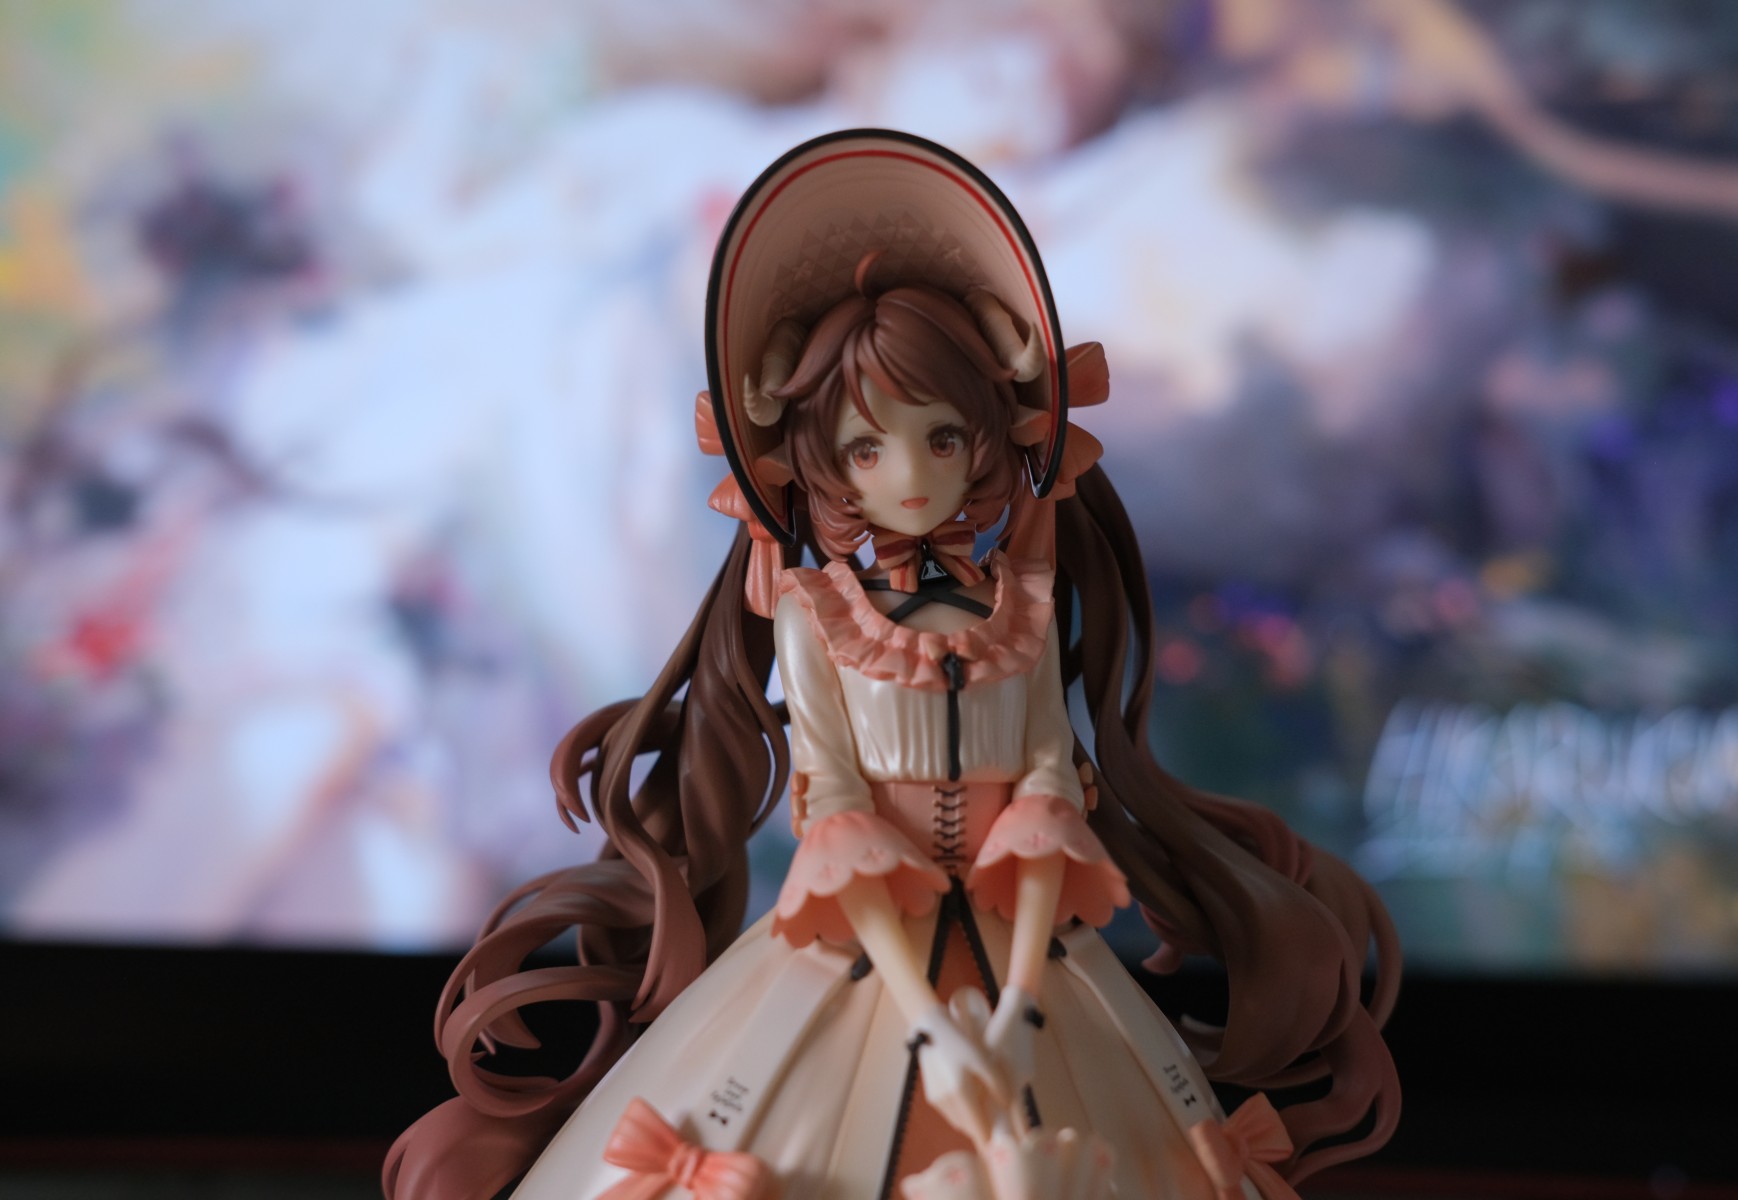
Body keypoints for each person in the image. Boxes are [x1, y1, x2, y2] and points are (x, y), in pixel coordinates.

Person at [385, 130, 1398, 1200]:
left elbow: (1048, 787)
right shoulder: (816, 618)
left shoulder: (1024, 609)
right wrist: (930, 1025)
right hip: (855, 955)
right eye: (868, 448)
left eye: (941, 437)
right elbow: (836, 812)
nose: (909, 472)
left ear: (986, 440)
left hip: (1036, 968)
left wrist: (1014, 1007)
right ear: (825, 462)